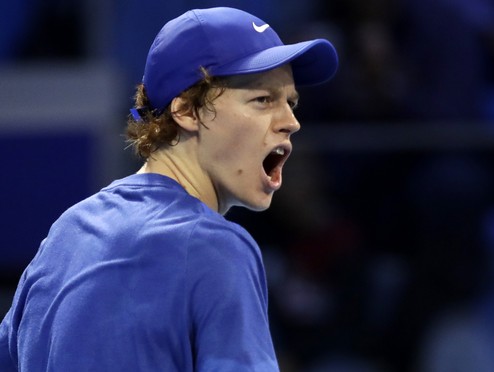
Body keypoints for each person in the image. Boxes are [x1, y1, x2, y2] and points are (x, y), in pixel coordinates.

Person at [0, 7, 338, 371]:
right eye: (263, 100)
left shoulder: (67, 233)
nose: (291, 122)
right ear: (187, 110)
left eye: (291, 102)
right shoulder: (217, 247)